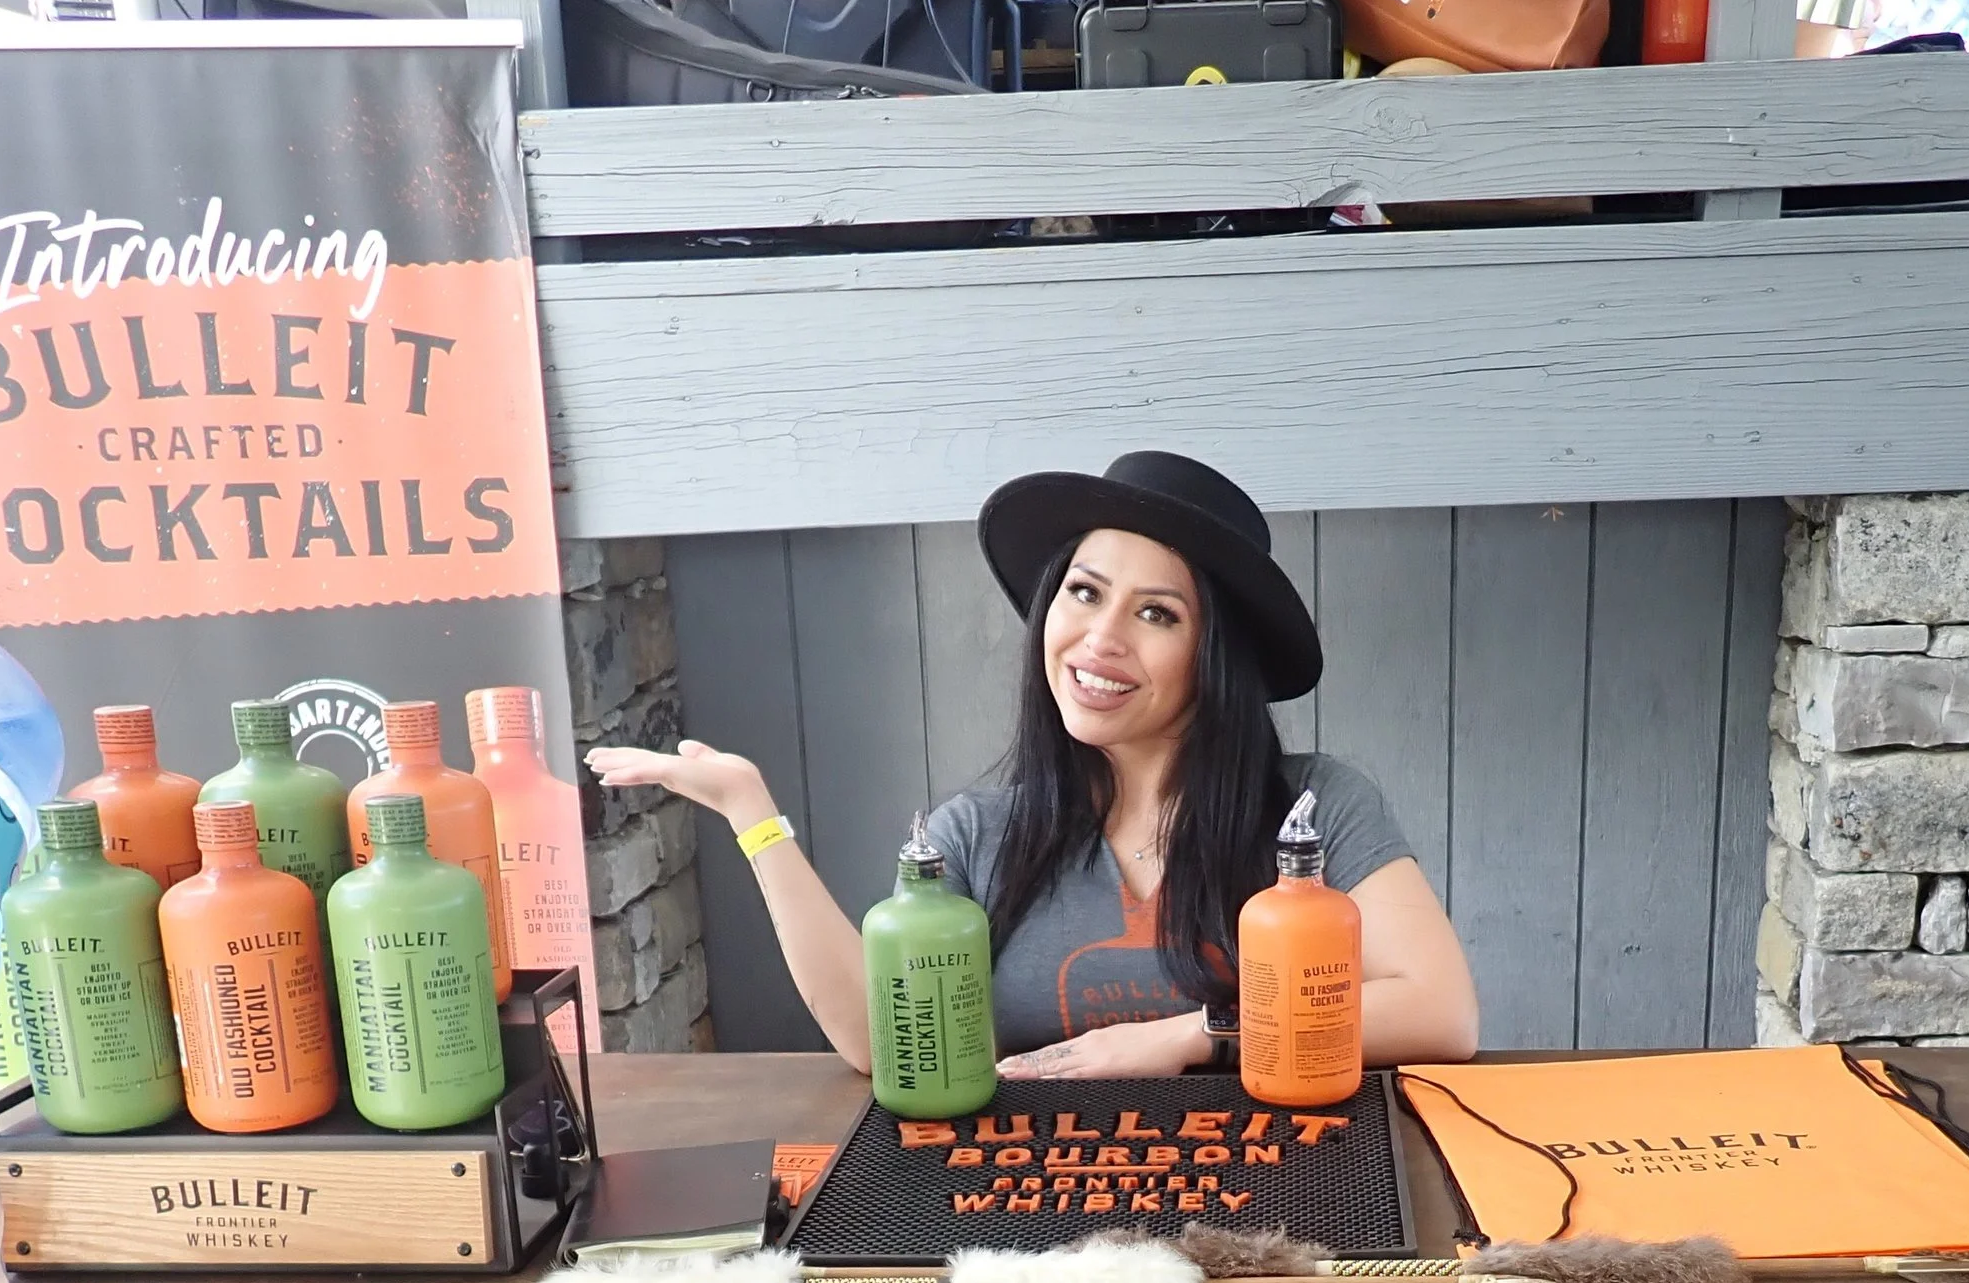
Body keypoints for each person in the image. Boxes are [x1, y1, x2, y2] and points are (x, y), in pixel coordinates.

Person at [586, 451, 1479, 1079]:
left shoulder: (1314, 812)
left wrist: (1190, 1036)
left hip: (1285, 1207)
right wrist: (753, 814)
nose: (1100, 637)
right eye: (1084, 593)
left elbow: (1441, 1011)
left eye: (1157, 614)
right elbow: (879, 1039)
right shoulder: (975, 834)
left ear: (1216, 658)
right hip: (1038, 1225)